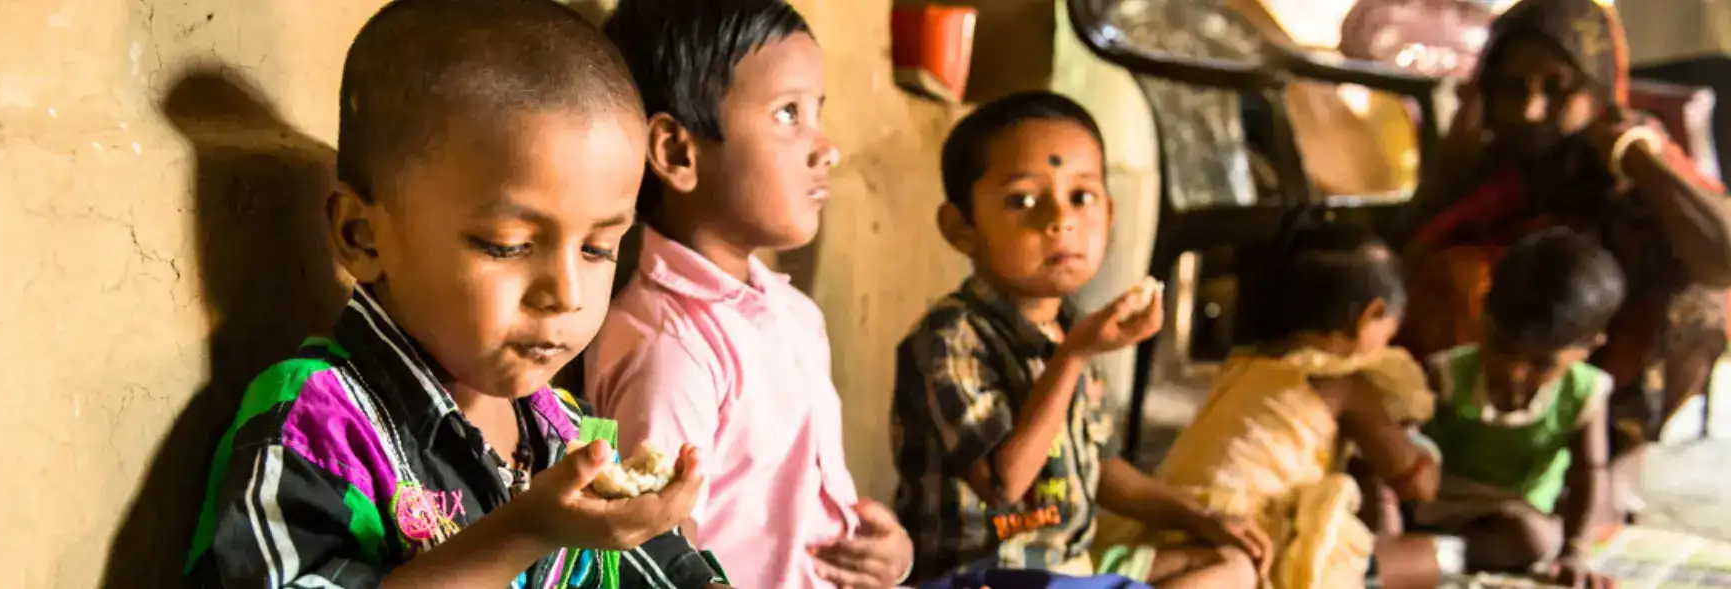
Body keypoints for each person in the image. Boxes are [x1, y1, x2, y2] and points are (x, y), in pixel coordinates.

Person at [183, 1, 727, 586]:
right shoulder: (318, 427)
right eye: (507, 245)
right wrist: (525, 533)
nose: (566, 294)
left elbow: (658, 566)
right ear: (362, 235)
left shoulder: (564, 430)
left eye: (597, 249)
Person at [582, 1, 913, 588]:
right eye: (788, 114)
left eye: (817, 111)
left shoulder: (793, 315)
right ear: (677, 153)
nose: (827, 148)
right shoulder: (670, 347)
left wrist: (888, 555)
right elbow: (654, 555)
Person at [891, 91, 1269, 588]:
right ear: (962, 228)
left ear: (1109, 214)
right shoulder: (951, 338)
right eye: (1023, 200)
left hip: (1070, 568)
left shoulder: (1071, 328)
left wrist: (1200, 518)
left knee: (1231, 566)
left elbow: (1103, 469)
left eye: (1081, 197)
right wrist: (1072, 358)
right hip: (984, 576)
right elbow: (1004, 484)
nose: (1061, 219)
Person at [1398, 0, 1731, 475]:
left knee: (1701, 306)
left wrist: (1634, 157)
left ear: (1598, 91)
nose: (1530, 110)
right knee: (1456, 277)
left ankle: (1607, 462)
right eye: (1512, 88)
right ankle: (1472, 453)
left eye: (1558, 89)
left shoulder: (1634, 152)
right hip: (1496, 368)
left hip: (1604, 347)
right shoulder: (1487, 158)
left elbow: (1723, 259)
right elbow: (1411, 253)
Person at [1096, 214, 1446, 589]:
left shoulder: (1246, 363)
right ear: (1370, 315)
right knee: (1430, 557)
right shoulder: (1343, 382)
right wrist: (1415, 441)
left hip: (1175, 518)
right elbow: (1418, 485)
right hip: (1254, 535)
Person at [1415, 228, 1625, 588]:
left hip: (1513, 518)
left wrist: (1575, 553)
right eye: (1502, 347)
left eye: (1542, 364)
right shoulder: (1445, 375)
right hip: (1435, 504)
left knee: (1535, 538)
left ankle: (1435, 555)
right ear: (1484, 314)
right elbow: (1402, 451)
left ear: (1589, 348)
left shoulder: (1585, 393)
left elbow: (1590, 473)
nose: (1514, 372)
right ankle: (1411, 551)